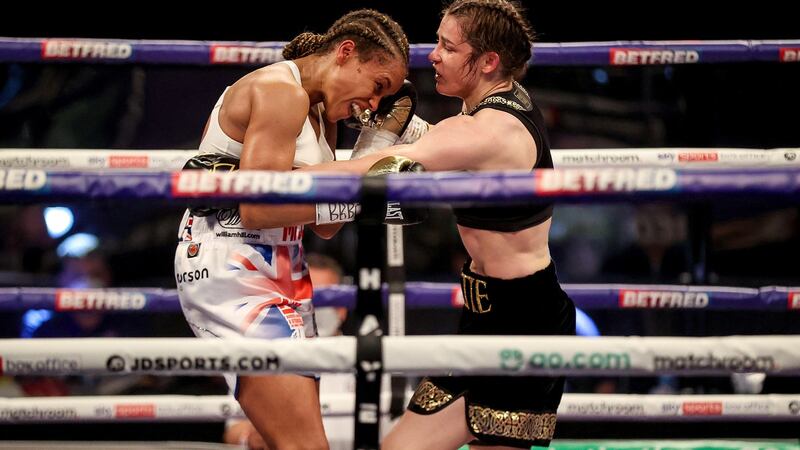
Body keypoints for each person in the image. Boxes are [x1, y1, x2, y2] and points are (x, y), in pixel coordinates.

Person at [302, 1, 576, 448]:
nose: (432, 55)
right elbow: (441, 145)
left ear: (488, 61)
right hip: (489, 313)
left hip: (523, 320)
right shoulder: (493, 109)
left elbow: (371, 169)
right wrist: (398, 125)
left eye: (448, 47)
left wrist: (267, 179)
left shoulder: (487, 130)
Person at [174, 10, 409, 450]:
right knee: (305, 445)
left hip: (283, 266)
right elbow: (258, 210)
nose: (375, 105)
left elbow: (326, 226)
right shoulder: (280, 91)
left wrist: (374, 146)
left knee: (278, 435)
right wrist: (369, 177)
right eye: (377, 86)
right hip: (235, 266)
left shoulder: (322, 111)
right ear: (345, 52)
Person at [222, 253, 349, 449]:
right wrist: (249, 438)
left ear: (342, 308)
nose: (313, 308)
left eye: (323, 299)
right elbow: (233, 429)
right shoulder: (265, 355)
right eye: (307, 297)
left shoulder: (363, 357)